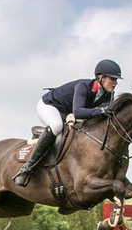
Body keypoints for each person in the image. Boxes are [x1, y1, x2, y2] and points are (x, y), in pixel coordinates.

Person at [12, 59, 123, 187]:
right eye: (112, 79)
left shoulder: (109, 95)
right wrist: (101, 110)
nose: (115, 83)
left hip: (67, 112)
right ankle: (26, 169)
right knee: (56, 126)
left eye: (116, 80)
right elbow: (78, 112)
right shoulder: (83, 86)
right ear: (100, 78)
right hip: (50, 105)